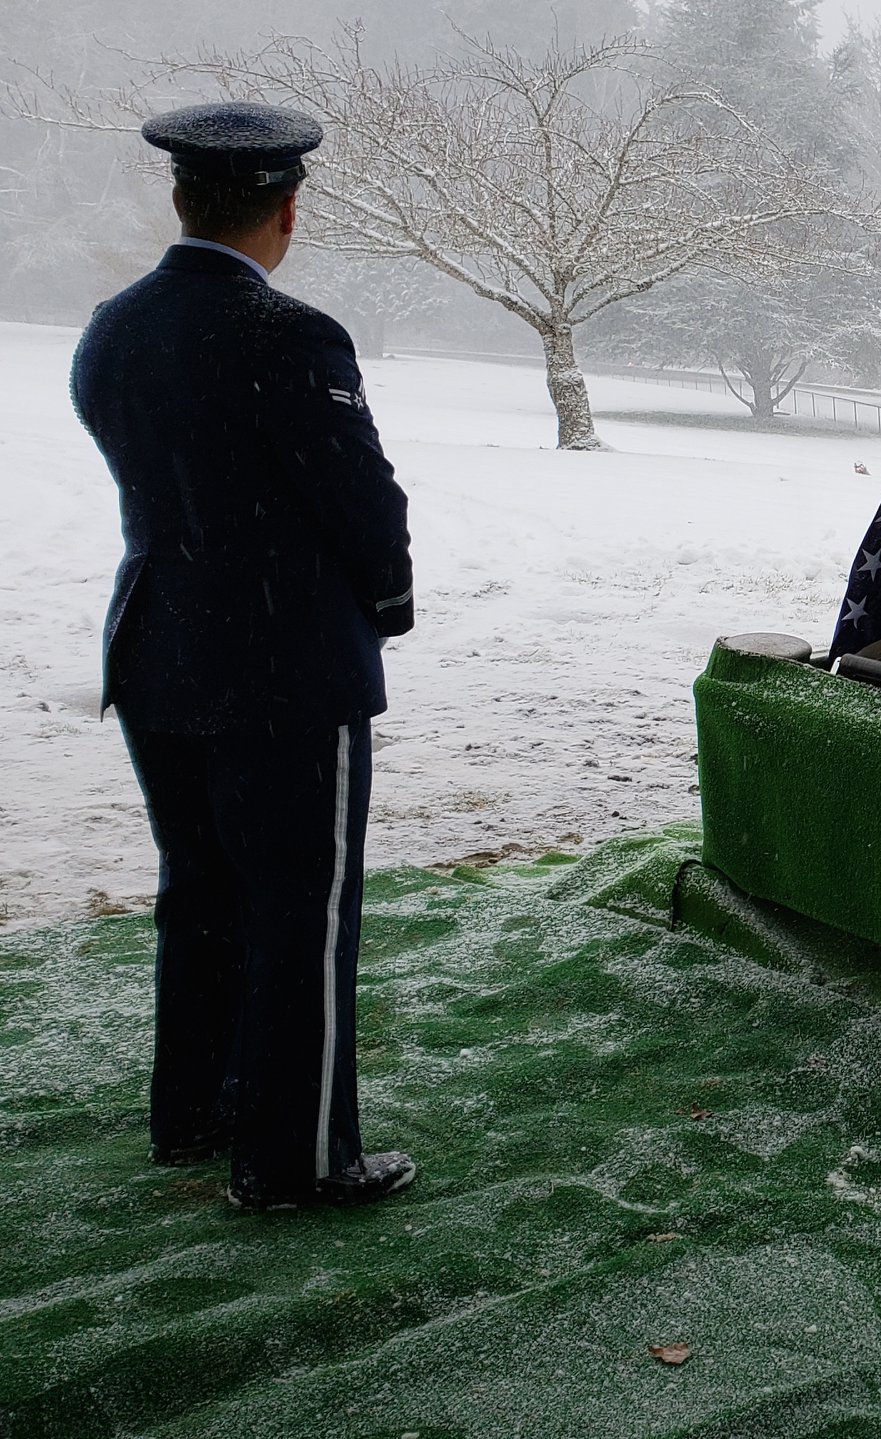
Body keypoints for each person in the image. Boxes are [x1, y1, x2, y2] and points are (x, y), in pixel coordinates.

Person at [69, 102, 418, 1210]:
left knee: (203, 891)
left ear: (180, 198)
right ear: (286, 209)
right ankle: (297, 1157)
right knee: (299, 909)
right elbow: (361, 499)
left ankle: (199, 1112)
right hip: (283, 664)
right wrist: (389, 601)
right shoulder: (287, 334)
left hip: (160, 646)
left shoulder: (111, 326)